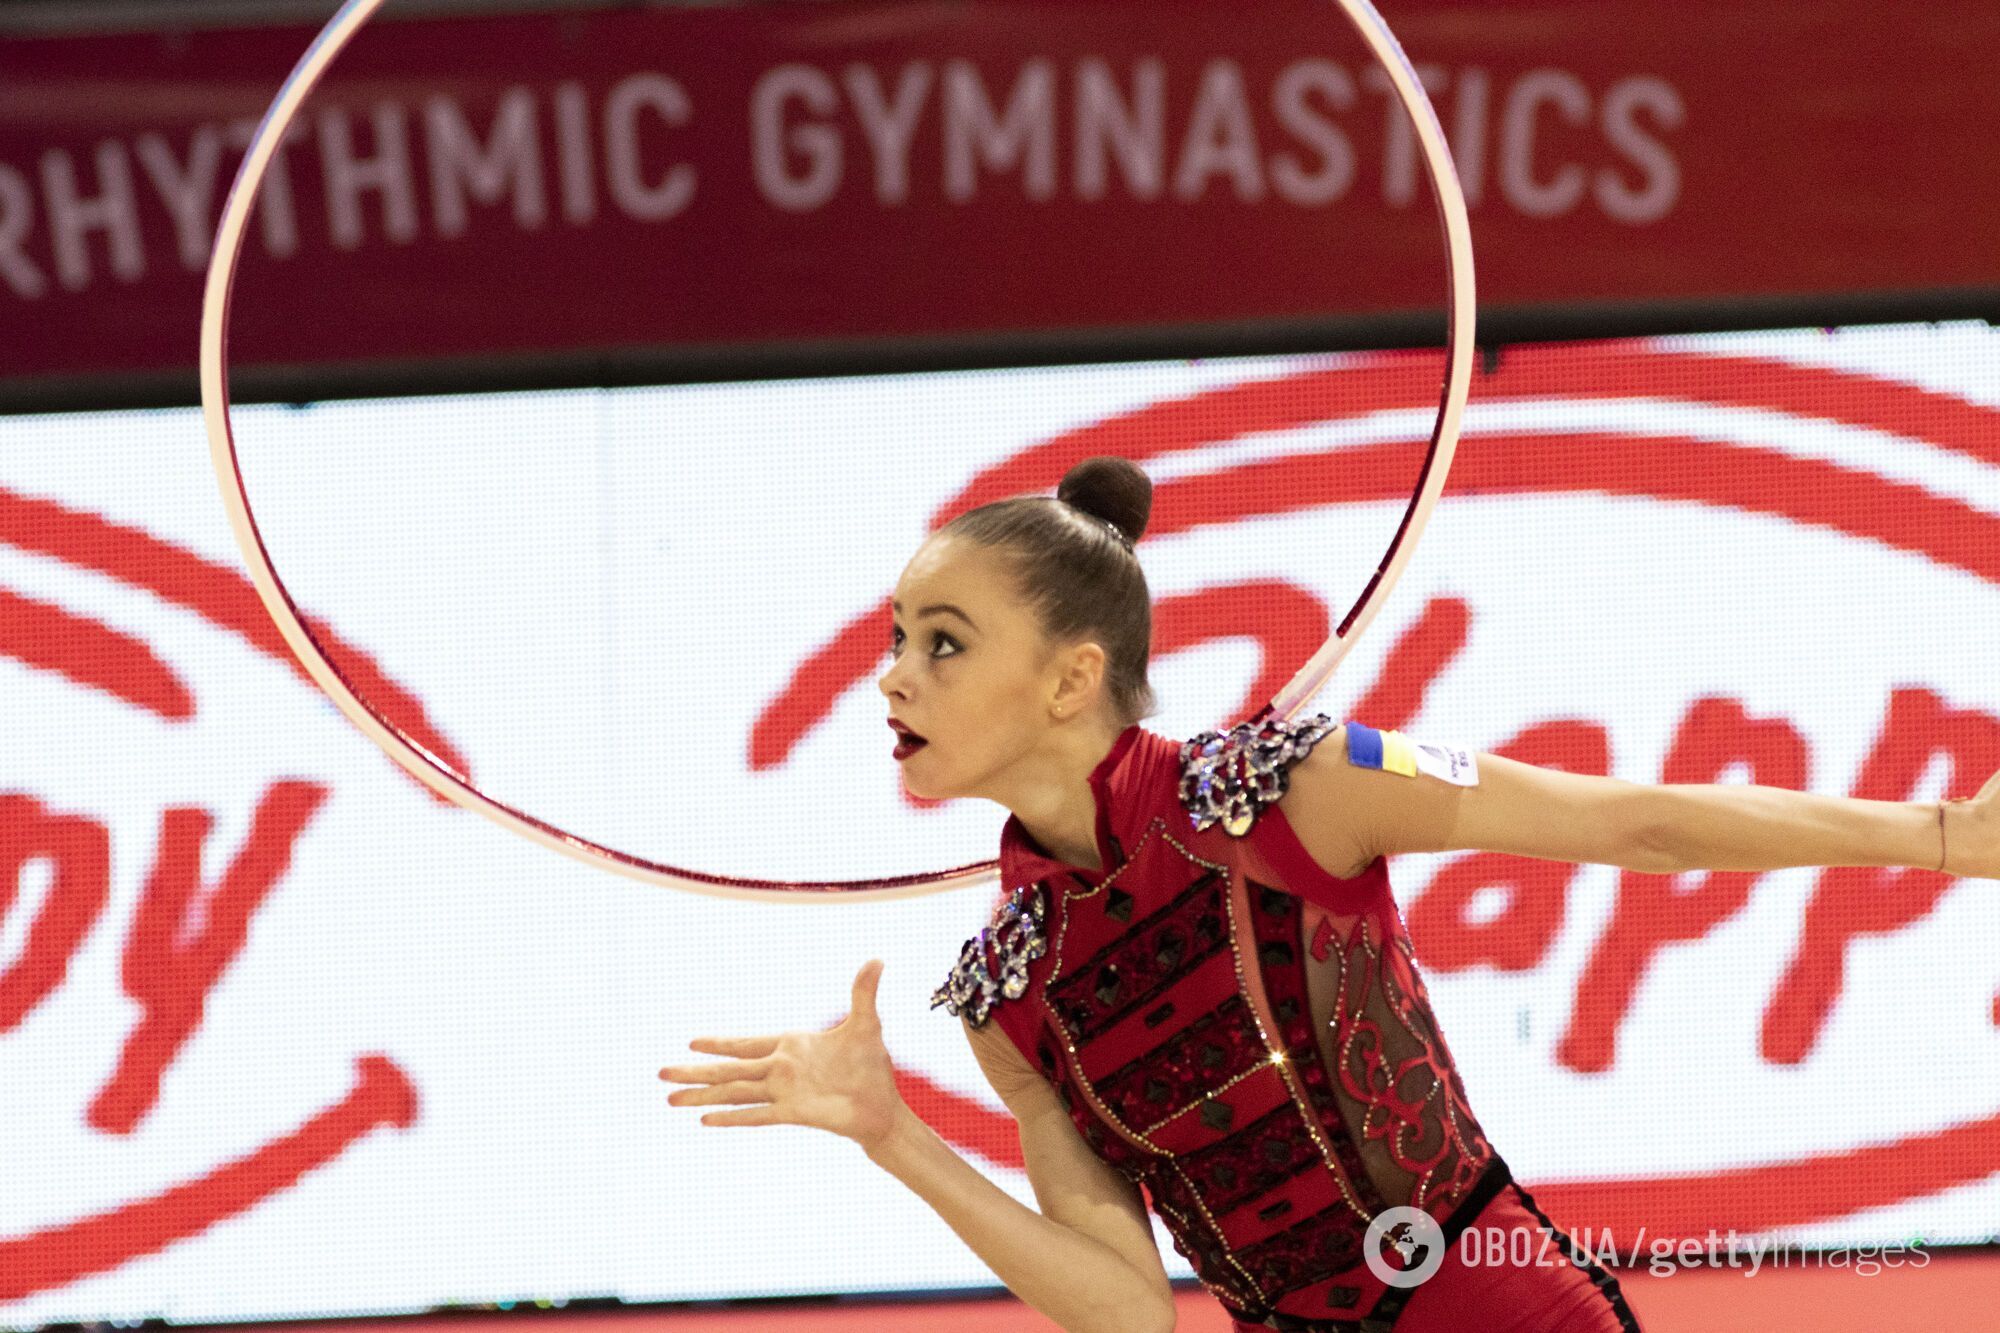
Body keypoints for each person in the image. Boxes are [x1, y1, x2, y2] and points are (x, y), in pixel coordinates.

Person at [657, 456, 1997, 1333]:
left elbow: (1632, 822)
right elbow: (1129, 1309)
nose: (893, 676)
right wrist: (893, 1134)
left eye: (943, 643)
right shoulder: (1010, 992)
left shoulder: (1297, 788)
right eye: (896, 639)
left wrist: (1942, 835)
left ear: (1071, 677)